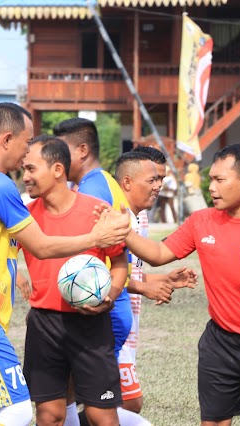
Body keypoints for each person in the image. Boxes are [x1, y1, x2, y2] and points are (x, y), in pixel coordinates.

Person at [0, 103, 131, 426]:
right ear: (7, 139)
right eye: (25, 143)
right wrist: (95, 236)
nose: (24, 157)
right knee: (18, 410)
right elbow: (40, 245)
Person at [123, 144, 240, 426]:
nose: (211, 187)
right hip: (219, 343)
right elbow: (158, 254)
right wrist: (121, 229)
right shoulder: (201, 221)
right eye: (210, 179)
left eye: (219, 180)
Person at [21, 135, 128, 426]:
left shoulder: (96, 210)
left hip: (90, 325)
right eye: (23, 169)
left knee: (101, 416)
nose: (25, 177)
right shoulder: (24, 217)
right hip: (43, 325)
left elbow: (119, 263)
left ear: (57, 169)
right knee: (50, 415)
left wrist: (112, 295)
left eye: (31, 169)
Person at [53, 117, 134, 424]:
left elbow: (100, 256)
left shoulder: (92, 191)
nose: (57, 159)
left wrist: (109, 295)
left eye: (63, 151)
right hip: (109, 303)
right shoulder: (101, 181)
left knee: (91, 402)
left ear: (83, 150)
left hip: (102, 308)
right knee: (72, 394)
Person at [113, 151, 197, 419]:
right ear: (128, 181)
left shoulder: (142, 219)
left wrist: (164, 280)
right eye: (153, 179)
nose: (158, 186)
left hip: (128, 326)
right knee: (130, 402)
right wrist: (142, 288)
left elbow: (132, 272)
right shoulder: (115, 217)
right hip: (109, 324)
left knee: (106, 403)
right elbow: (102, 275)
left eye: (161, 179)